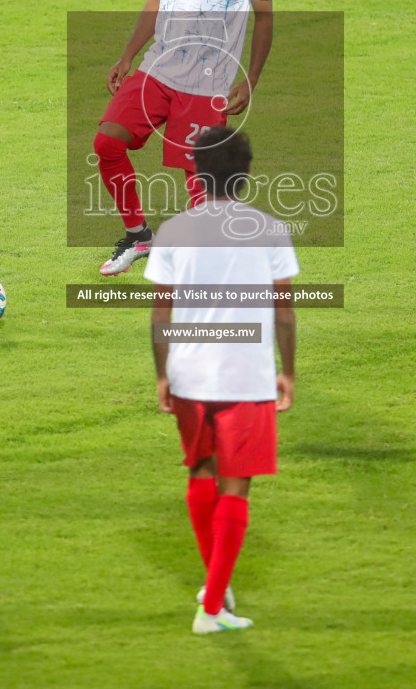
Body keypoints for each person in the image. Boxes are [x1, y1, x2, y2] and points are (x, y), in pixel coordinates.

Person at [143, 126, 298, 634]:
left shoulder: (172, 231)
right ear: (248, 174)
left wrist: (163, 375)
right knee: (235, 486)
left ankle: (218, 589)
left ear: (196, 173)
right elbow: (285, 312)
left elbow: (159, 313)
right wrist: (288, 371)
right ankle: (211, 609)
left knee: (201, 474)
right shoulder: (269, 230)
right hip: (245, 377)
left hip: (189, 375)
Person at [94, 0, 276, 275]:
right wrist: (127, 55)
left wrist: (251, 78)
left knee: (200, 181)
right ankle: (139, 236)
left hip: (207, 81)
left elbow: (265, 18)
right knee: (107, 145)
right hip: (157, 69)